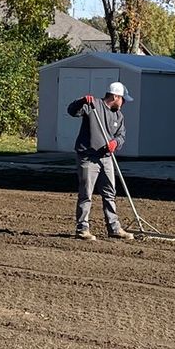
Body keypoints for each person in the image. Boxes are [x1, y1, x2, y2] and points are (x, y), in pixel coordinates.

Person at [67, 81, 134, 241]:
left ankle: (114, 228)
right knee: (86, 194)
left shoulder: (118, 115)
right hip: (88, 157)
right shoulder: (92, 105)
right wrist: (81, 101)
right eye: (122, 99)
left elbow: (121, 135)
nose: (124, 103)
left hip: (106, 158)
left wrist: (115, 143)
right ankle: (82, 229)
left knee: (110, 193)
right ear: (115, 96)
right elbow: (71, 111)